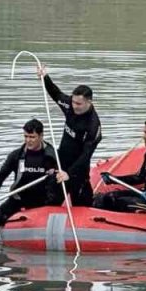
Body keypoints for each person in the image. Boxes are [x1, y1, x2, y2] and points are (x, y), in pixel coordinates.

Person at [0, 119, 67, 245]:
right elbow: (1, 175)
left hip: (44, 201)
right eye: (25, 136)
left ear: (41, 136)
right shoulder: (16, 155)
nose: (28, 141)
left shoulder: (53, 156)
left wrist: (61, 173)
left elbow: (66, 174)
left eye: (32, 137)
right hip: (20, 198)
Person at [37, 65, 103, 207]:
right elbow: (56, 94)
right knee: (51, 201)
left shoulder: (93, 126)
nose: (74, 106)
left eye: (78, 103)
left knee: (83, 205)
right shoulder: (69, 105)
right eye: (73, 101)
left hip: (78, 171)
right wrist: (45, 77)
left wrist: (69, 173)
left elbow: (86, 155)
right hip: (61, 164)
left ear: (89, 102)